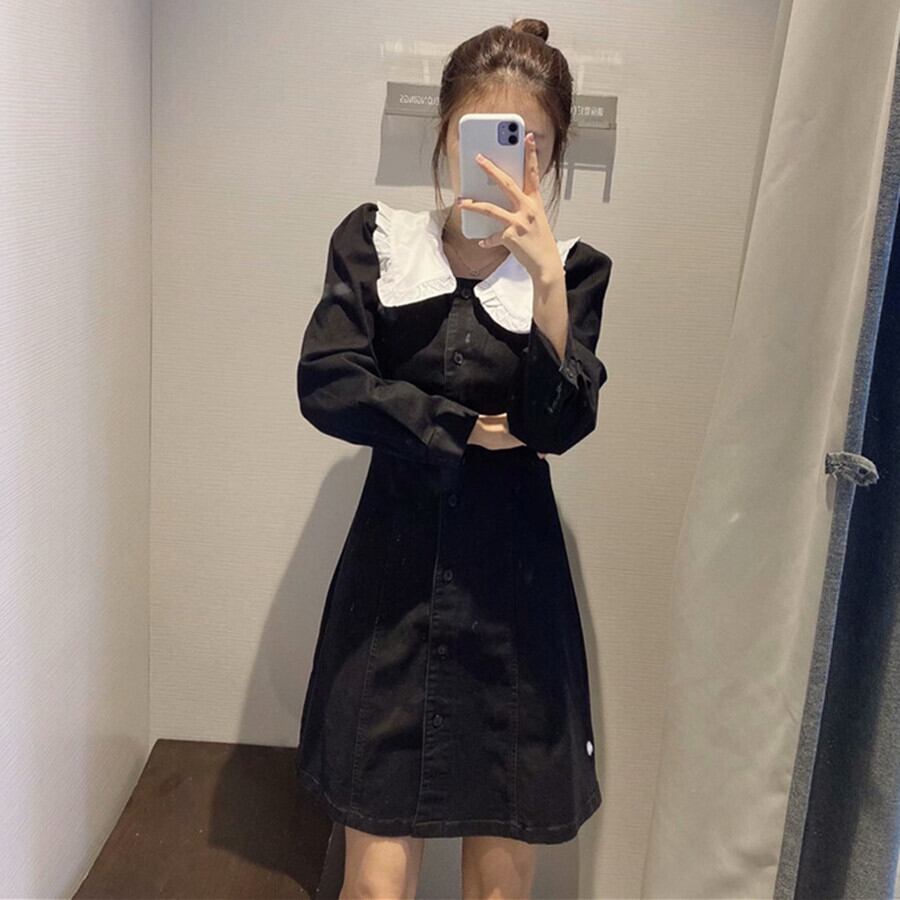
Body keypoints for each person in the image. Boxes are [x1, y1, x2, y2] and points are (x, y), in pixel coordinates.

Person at [294, 17, 613, 899]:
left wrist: (543, 282)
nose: (512, 163)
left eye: (532, 143)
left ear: (554, 154)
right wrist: (458, 426)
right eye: (491, 139)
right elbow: (327, 380)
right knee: (374, 884)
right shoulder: (377, 243)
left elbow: (558, 426)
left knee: (500, 884)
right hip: (389, 590)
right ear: (446, 137)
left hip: (514, 602)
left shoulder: (574, 273)